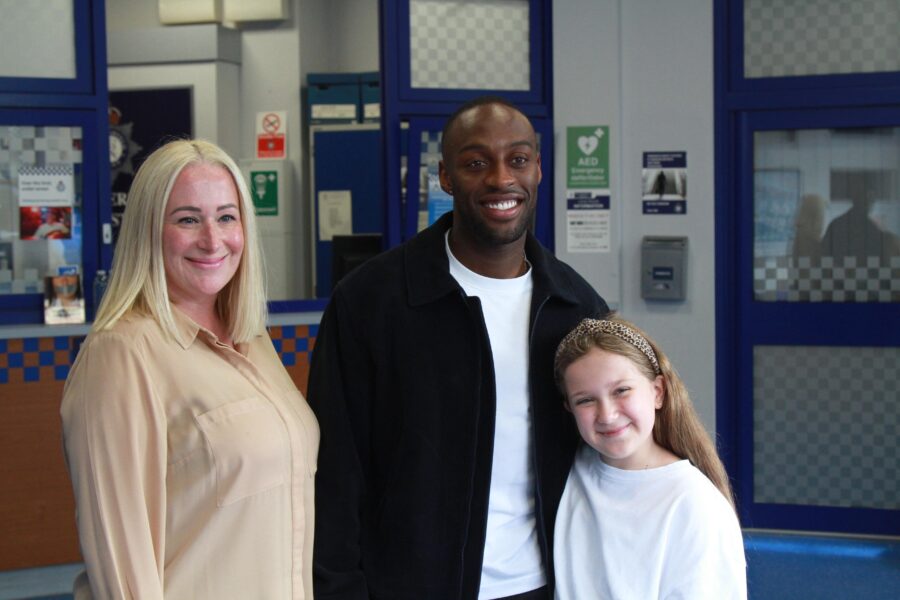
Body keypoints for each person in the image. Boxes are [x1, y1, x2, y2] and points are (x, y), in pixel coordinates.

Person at [307, 96, 609, 600]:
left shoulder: (576, 306)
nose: (500, 179)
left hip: (543, 587)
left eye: (517, 160)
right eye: (475, 163)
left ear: (537, 170)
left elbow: (610, 450)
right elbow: (335, 472)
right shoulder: (371, 302)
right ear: (445, 177)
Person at [61, 139, 319, 599]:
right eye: (187, 219)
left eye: (226, 216)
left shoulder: (252, 339)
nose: (212, 239)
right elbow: (122, 567)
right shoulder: (122, 354)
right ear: (148, 231)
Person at [553, 316, 746, 599]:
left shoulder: (693, 503)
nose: (607, 415)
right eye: (585, 400)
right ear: (569, 408)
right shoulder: (570, 471)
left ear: (657, 391)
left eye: (622, 391)